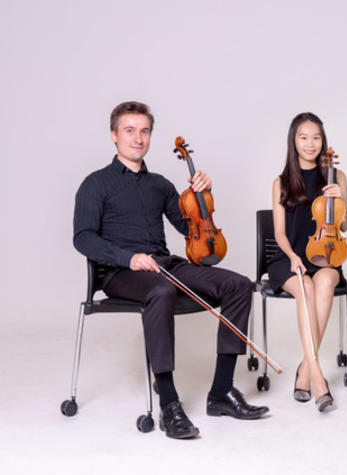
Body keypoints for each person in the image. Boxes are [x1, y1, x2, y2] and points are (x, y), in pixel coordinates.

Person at [73, 101, 268, 439]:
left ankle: (222, 392)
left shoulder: (160, 185)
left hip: (166, 265)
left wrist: (202, 195)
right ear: (114, 136)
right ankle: (169, 403)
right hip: (123, 274)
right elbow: (83, 237)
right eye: (129, 131)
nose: (138, 138)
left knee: (238, 285)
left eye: (144, 131)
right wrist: (128, 258)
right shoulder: (95, 184)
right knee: (160, 290)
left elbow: (190, 228)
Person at [268, 112, 347, 412]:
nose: (310, 143)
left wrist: (339, 199)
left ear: (323, 140)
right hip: (288, 259)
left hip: (325, 253)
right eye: (304, 137)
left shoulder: (336, 176)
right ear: (294, 140)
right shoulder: (281, 182)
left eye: (316, 137)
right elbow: (278, 232)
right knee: (305, 286)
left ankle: (305, 367)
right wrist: (292, 257)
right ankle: (317, 377)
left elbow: (345, 226)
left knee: (326, 281)